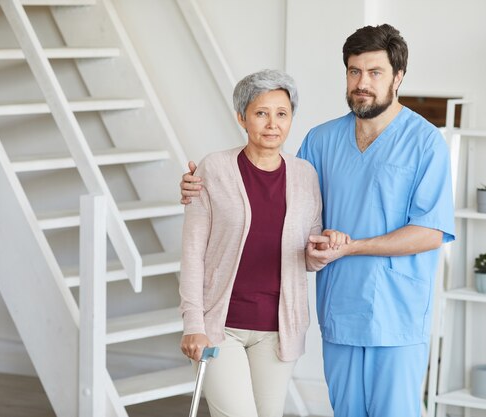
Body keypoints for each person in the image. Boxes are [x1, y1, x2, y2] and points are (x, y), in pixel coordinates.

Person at [180, 24, 455, 417]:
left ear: (398, 77)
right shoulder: (320, 141)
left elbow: (431, 231)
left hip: (397, 314)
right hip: (340, 309)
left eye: (375, 72)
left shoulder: (425, 142)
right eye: (354, 71)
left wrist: (355, 246)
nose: (362, 82)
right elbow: (281, 204)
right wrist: (196, 188)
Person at [178, 69, 349, 417]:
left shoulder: (305, 175)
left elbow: (307, 255)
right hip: (220, 327)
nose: (272, 124)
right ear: (242, 117)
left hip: (278, 329)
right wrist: (193, 324)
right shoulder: (213, 169)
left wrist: (322, 251)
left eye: (282, 114)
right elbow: (193, 253)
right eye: (261, 113)